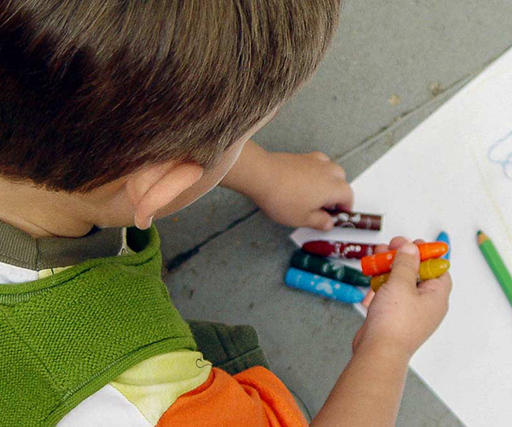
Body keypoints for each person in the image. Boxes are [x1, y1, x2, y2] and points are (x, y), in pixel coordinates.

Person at [0, 1, 452, 425]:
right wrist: (388, 347)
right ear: (162, 185)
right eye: (245, 136)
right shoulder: (151, 404)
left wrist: (265, 175)